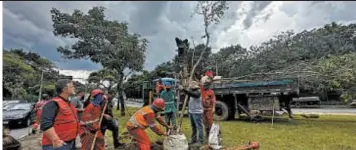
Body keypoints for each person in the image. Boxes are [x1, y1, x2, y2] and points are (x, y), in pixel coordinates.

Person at [40, 79, 79, 150]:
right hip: (57, 145)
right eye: (72, 86)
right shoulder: (53, 104)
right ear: (64, 89)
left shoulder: (69, 104)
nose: (74, 88)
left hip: (70, 143)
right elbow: (45, 125)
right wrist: (56, 140)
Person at [179, 81, 204, 146]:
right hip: (191, 112)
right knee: (193, 127)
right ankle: (193, 140)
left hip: (197, 112)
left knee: (199, 127)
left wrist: (183, 89)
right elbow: (189, 93)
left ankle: (200, 141)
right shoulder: (192, 92)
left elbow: (193, 94)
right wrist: (184, 90)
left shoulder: (198, 92)